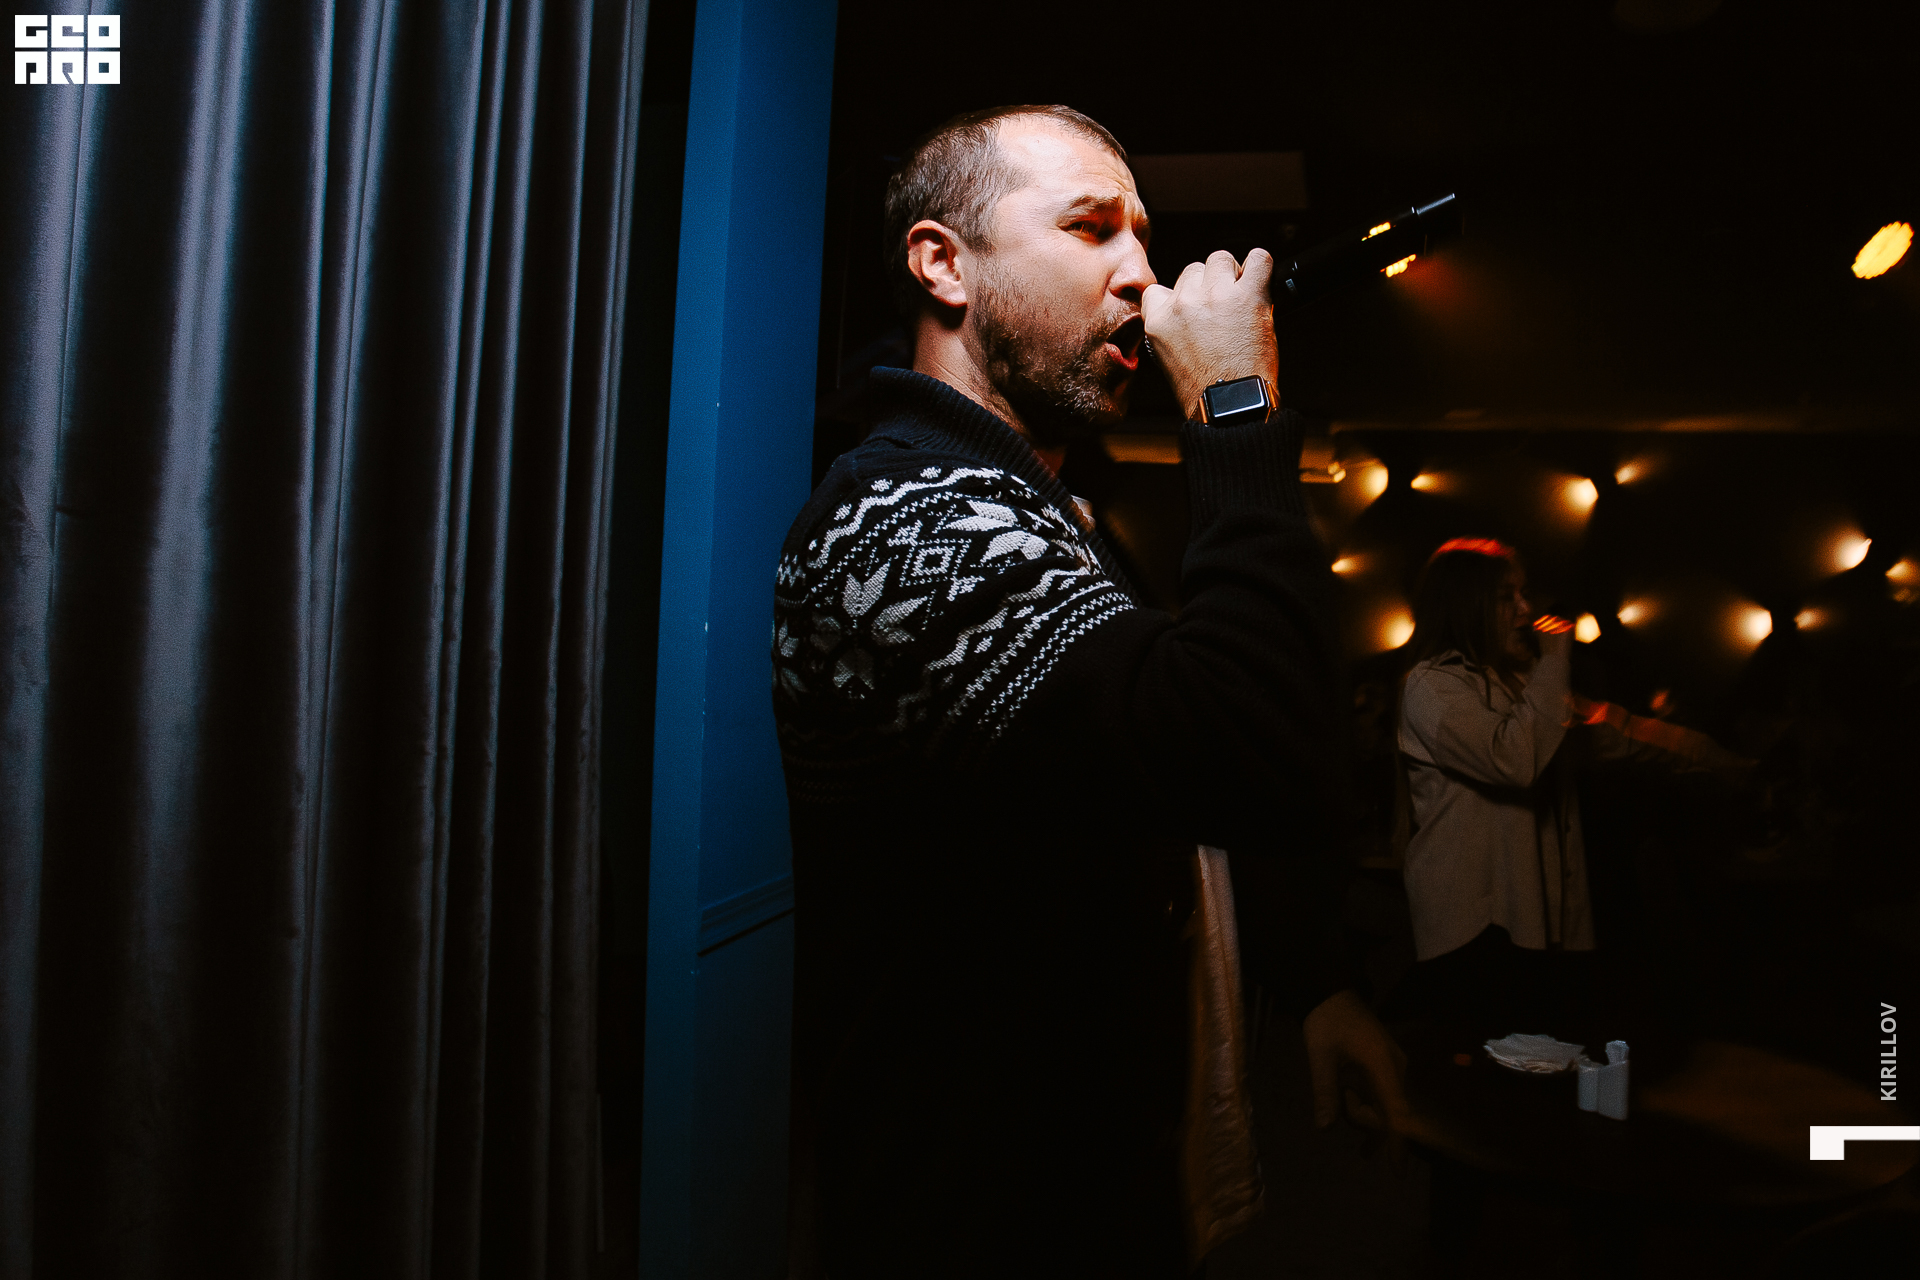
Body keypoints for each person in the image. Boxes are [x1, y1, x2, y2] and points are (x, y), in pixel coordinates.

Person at [771, 105, 1409, 1276]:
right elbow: (1253, 752)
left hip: (1090, 1172)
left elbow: (1157, 756)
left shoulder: (1045, 513)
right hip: (973, 1213)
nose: (1141, 276)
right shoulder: (902, 522)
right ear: (943, 263)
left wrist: (1312, 974)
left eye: (1144, 237)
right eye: (1090, 227)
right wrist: (1235, 408)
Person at [1396, 538, 1747, 1040]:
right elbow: (1513, 759)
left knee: (1546, 1061)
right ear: (1466, 604)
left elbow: (1622, 732)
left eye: (1523, 594)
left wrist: (1722, 760)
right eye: (1507, 597)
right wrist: (1555, 658)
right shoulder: (1432, 686)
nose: (1526, 610)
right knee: (1488, 1068)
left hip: (1537, 922)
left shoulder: (1526, 685)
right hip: (1472, 927)